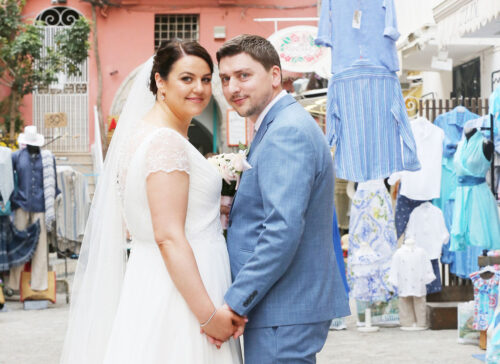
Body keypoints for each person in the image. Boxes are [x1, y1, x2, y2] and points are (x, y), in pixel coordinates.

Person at [60, 40, 243, 364]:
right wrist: (207, 316)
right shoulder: (165, 143)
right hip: (184, 292)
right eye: (186, 78)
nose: (199, 88)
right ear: (160, 81)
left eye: (204, 79)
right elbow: (168, 235)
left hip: (155, 279)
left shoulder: (143, 135)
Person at [216, 34, 350, 363]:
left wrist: (236, 301)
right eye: (225, 78)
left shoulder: (285, 131)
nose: (233, 87)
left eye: (243, 75)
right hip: (283, 307)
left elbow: (282, 228)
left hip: (284, 307)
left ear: (275, 76)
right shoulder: (275, 126)